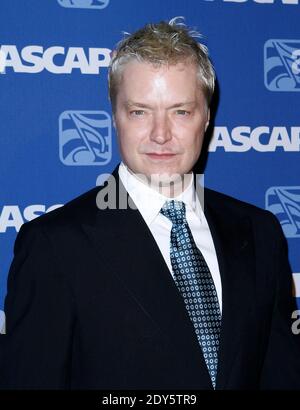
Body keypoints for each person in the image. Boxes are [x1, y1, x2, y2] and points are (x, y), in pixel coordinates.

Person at [1, 18, 300, 390]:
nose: (161, 135)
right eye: (140, 111)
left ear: (206, 118)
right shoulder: (55, 246)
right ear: (115, 117)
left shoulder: (260, 232)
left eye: (181, 111)